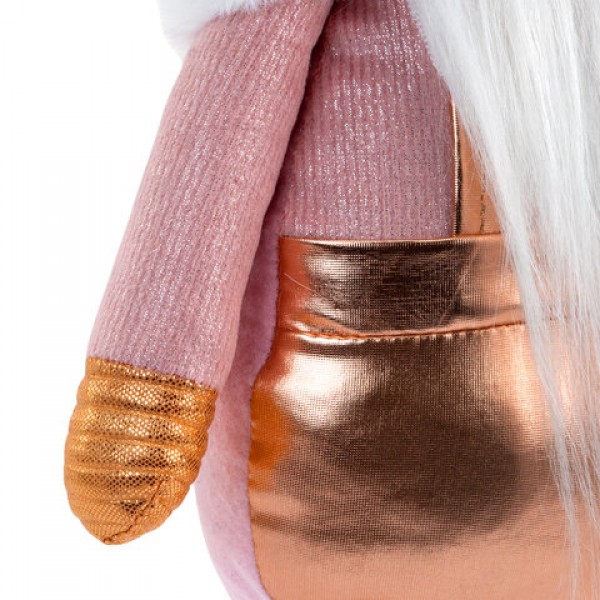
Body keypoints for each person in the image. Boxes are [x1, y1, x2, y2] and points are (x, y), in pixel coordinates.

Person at [64, 1, 600, 597]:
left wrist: (138, 412)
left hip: (334, 464)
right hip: (555, 476)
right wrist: (142, 400)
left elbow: (218, 143)